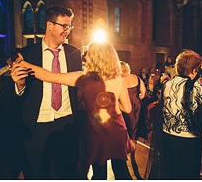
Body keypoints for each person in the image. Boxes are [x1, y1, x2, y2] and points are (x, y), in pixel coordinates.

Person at [15, 41, 134, 180]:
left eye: (88, 54)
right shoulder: (118, 79)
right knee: (121, 172)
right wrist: (110, 105)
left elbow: (48, 76)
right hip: (117, 132)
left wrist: (24, 64)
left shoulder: (83, 78)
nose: (85, 57)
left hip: (98, 134)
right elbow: (127, 108)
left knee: (99, 173)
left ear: (95, 57)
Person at [0, 6, 82, 179]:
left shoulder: (74, 53)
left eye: (69, 26)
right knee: (37, 174)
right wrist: (19, 85)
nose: (67, 30)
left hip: (67, 124)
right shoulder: (27, 54)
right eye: (64, 26)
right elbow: (13, 97)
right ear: (49, 25)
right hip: (36, 127)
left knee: (66, 173)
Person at [157, 50, 202, 179]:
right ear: (194, 70)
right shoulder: (195, 87)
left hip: (168, 137)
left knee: (170, 174)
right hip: (188, 141)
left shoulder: (167, 84)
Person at [120, 61, 144, 178]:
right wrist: (136, 99)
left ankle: (126, 149)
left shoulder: (118, 80)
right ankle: (133, 145)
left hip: (124, 106)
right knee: (135, 126)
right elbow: (143, 94)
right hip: (137, 106)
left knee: (125, 126)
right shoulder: (136, 78)